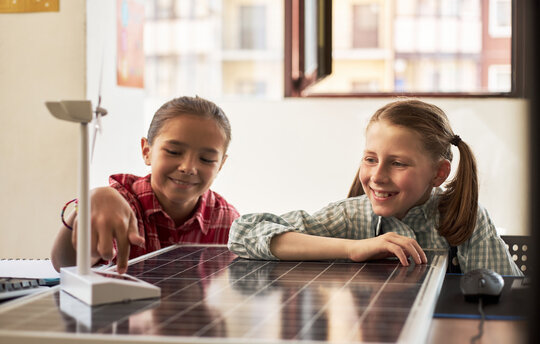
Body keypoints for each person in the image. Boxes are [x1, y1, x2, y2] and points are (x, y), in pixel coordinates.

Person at [228, 99, 522, 276]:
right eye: (370, 159)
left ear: (438, 173)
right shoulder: (350, 217)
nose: (377, 176)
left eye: (398, 163)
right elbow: (243, 233)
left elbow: (505, 298)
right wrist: (355, 249)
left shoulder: (466, 220)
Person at [51, 96, 239, 274]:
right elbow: (68, 264)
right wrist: (89, 202)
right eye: (174, 152)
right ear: (146, 151)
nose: (188, 168)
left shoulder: (228, 221)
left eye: (206, 159)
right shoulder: (119, 206)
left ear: (221, 164)